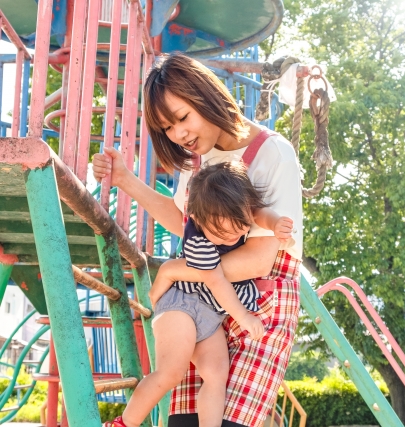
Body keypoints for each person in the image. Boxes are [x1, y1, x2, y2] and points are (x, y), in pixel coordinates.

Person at [92, 52, 303, 427]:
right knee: (185, 422)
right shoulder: (197, 160)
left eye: (182, 118)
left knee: (230, 422)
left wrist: (177, 270)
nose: (179, 135)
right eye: (167, 128)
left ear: (206, 95)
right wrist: (126, 180)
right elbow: (184, 220)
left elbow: (258, 259)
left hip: (258, 300)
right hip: (203, 302)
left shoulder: (271, 153)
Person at [104, 162, 295, 427]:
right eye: (221, 233)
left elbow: (258, 214)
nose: (233, 236)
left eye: (238, 229)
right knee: (172, 371)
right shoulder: (198, 241)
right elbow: (217, 282)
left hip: (211, 315)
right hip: (181, 304)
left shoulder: (235, 212)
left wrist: (276, 224)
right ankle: (123, 423)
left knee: (217, 374)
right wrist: (244, 317)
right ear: (197, 219)